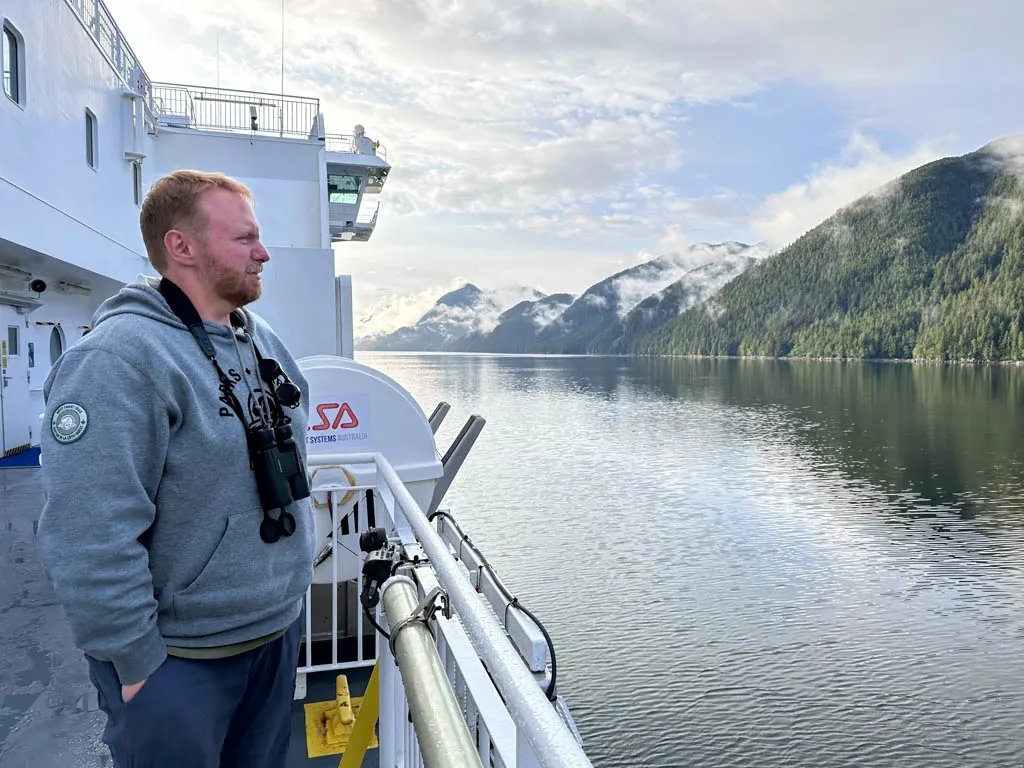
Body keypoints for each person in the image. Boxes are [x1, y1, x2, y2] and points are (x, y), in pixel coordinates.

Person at [37, 170, 316, 767]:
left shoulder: (259, 338)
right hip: (179, 661)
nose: (263, 253)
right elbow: (89, 530)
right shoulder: (118, 359)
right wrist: (136, 663)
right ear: (181, 247)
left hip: (273, 635)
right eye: (244, 239)